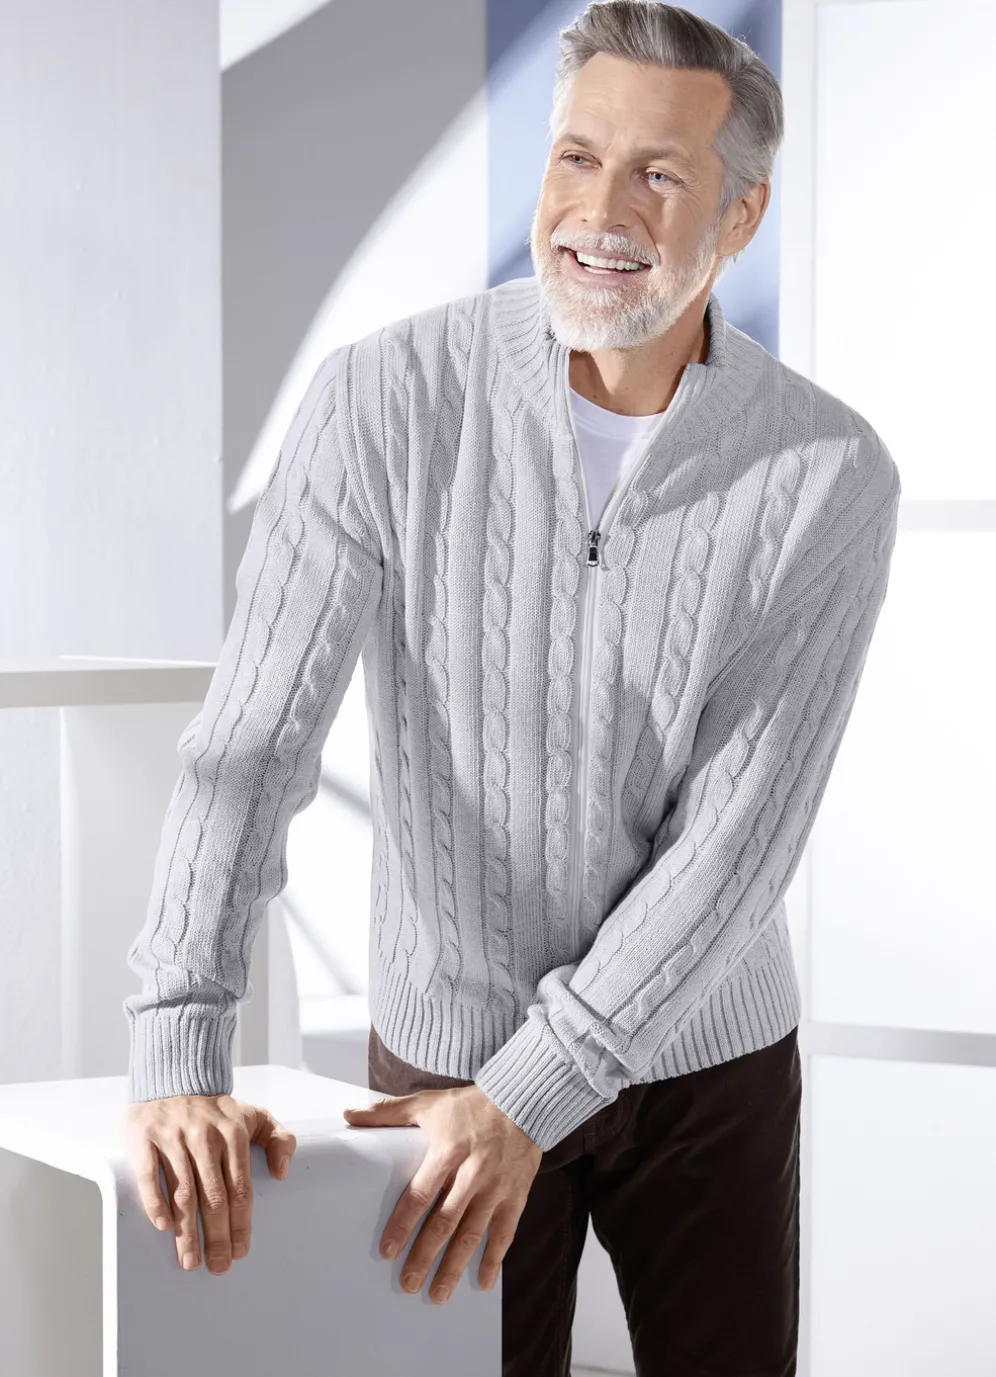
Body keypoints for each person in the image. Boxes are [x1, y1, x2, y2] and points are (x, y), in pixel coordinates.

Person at [121, 4, 900, 1374]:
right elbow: (251, 746)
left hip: (707, 1067)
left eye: (659, 174)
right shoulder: (382, 401)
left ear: (740, 214)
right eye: (576, 157)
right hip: (447, 1067)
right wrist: (179, 1043)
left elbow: (734, 850)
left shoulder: (828, 474)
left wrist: (534, 1093)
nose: (600, 212)